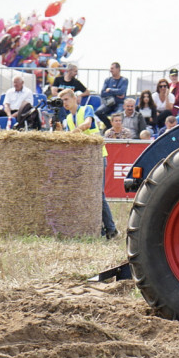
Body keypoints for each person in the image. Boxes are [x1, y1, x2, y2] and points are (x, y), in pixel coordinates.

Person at [60, 89, 117, 239]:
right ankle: (101, 228)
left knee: (98, 194)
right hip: (84, 159)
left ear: (74, 99)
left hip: (97, 156)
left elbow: (87, 124)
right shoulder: (68, 118)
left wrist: (72, 133)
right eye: (63, 101)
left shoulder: (87, 109)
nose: (64, 103)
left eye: (66, 99)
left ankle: (111, 229)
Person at [95, 62, 129, 127]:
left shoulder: (124, 80)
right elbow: (102, 93)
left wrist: (110, 90)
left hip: (120, 103)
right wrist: (116, 93)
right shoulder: (107, 80)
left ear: (118, 69)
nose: (110, 70)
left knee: (118, 115)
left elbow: (122, 91)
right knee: (98, 112)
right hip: (109, 103)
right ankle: (110, 126)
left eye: (112, 68)